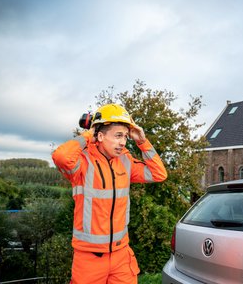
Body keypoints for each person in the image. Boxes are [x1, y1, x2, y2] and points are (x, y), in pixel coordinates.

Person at [52, 103, 167, 284]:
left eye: (126, 137)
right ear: (100, 135)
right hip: (89, 259)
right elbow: (61, 157)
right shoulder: (82, 163)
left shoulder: (125, 160)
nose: (123, 142)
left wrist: (142, 141)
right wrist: (88, 135)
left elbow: (159, 174)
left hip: (121, 255)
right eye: (118, 136)